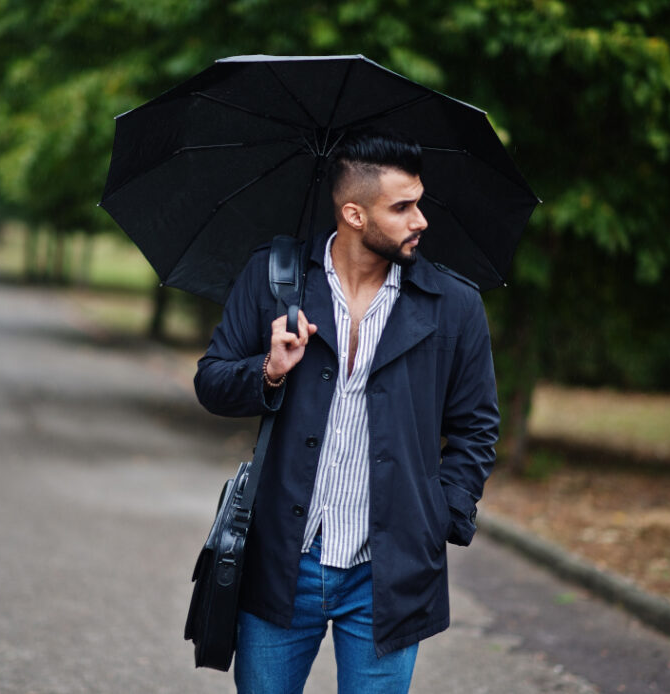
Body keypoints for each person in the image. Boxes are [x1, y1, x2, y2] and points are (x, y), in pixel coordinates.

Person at [193, 129, 500, 693]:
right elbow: (211, 382)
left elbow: (477, 427)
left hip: (389, 570)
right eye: (402, 207)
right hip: (283, 562)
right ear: (354, 214)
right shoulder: (274, 279)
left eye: (420, 202)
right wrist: (269, 369)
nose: (421, 220)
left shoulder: (454, 305)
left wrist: (441, 516)